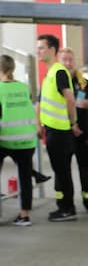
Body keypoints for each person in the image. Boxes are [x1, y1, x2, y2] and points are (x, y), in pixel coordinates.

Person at [36, 33, 81, 222]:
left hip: (61, 131)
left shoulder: (58, 72)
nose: (38, 51)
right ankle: (63, 207)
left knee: (62, 171)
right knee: (59, 171)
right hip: (53, 130)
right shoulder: (49, 74)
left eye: (41, 48)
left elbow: (70, 99)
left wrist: (73, 123)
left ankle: (68, 209)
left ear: (52, 50)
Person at [59, 48, 88, 214]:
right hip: (63, 133)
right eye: (65, 60)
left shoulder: (83, 83)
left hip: (83, 134)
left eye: (71, 60)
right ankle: (64, 204)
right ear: (59, 62)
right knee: (62, 170)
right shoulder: (55, 82)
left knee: (87, 168)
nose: (68, 63)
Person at [0, 55, 38, 226]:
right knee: (25, 177)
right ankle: (24, 215)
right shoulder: (24, 88)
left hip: (5, 139)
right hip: (27, 140)